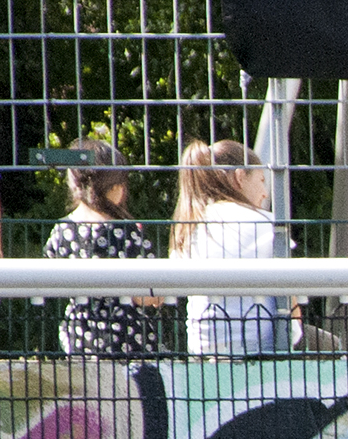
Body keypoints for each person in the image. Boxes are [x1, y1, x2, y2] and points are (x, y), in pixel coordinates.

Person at [42, 139, 161, 359]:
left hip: (80, 337)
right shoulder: (126, 232)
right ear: (113, 187)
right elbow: (145, 294)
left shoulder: (62, 230)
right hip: (128, 339)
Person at [169, 139, 289, 356]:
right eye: (261, 180)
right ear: (240, 177)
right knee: (330, 345)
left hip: (202, 350)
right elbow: (291, 301)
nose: (264, 192)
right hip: (259, 349)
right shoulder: (265, 223)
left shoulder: (189, 225)